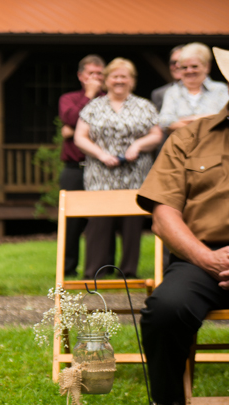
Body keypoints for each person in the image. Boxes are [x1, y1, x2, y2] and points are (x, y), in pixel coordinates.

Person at [137, 46, 229, 405]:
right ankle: (168, 402)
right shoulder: (189, 137)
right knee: (166, 308)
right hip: (201, 258)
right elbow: (163, 215)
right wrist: (208, 259)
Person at [74, 58, 163, 280]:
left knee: (132, 227)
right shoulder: (94, 106)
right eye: (115, 76)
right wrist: (101, 154)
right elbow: (79, 137)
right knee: (99, 226)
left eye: (125, 76)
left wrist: (138, 145)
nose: (119, 80)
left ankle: (128, 273)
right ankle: (94, 274)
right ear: (106, 80)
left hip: (135, 175)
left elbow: (157, 134)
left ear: (132, 80)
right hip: (100, 175)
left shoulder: (144, 106)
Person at [58, 55, 105, 277]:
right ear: (81, 76)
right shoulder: (69, 98)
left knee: (103, 220)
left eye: (99, 74)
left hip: (103, 169)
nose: (96, 78)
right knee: (71, 223)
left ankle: (102, 267)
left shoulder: (109, 100)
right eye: (91, 74)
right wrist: (89, 95)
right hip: (74, 169)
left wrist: (72, 128)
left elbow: (77, 126)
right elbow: (69, 116)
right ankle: (67, 269)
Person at [158, 42, 229, 134]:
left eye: (194, 66)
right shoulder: (172, 92)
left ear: (207, 67)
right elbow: (165, 123)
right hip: (182, 144)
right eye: (184, 67)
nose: (189, 71)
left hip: (214, 144)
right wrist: (206, 120)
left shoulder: (220, 89)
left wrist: (188, 120)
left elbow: (225, 117)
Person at [151, 45, 184, 112]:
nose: (177, 66)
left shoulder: (208, 90)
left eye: (181, 61)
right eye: (173, 63)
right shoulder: (159, 94)